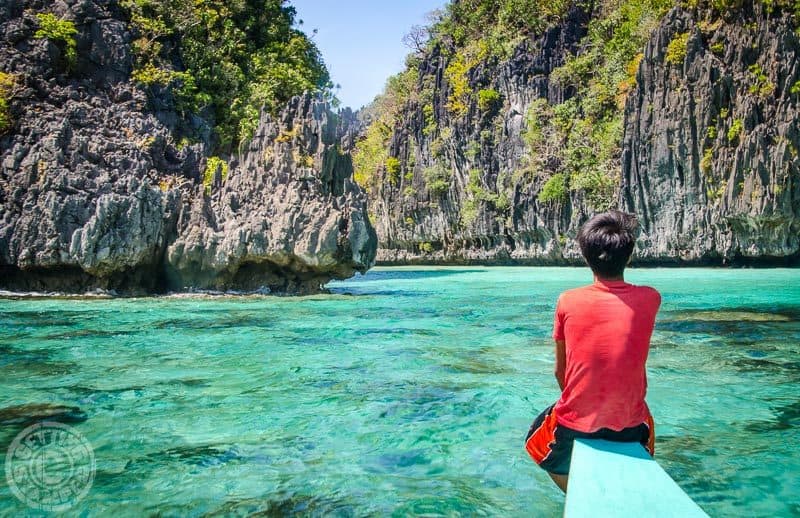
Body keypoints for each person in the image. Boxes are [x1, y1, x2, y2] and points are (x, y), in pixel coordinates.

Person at [524, 210, 661, 493]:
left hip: (576, 424)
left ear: (586, 258)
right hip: (632, 424)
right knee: (645, 430)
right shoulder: (651, 298)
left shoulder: (568, 301)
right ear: (630, 256)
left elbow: (560, 371)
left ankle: (578, 493)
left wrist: (581, 404)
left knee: (535, 443)